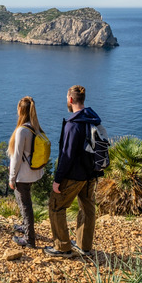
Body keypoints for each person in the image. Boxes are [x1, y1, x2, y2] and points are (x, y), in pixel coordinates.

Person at [44, 85, 103, 258]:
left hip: (74, 175)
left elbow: (66, 155)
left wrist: (57, 179)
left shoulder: (73, 124)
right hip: (91, 174)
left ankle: (62, 247)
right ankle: (84, 247)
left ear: (70, 99)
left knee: (56, 206)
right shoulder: (93, 119)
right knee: (87, 208)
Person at [7, 96, 46, 248]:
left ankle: (29, 239)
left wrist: (11, 178)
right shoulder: (35, 127)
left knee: (25, 205)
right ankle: (25, 226)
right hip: (33, 172)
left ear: (20, 110)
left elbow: (16, 157)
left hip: (22, 175)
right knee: (25, 202)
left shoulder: (22, 130)